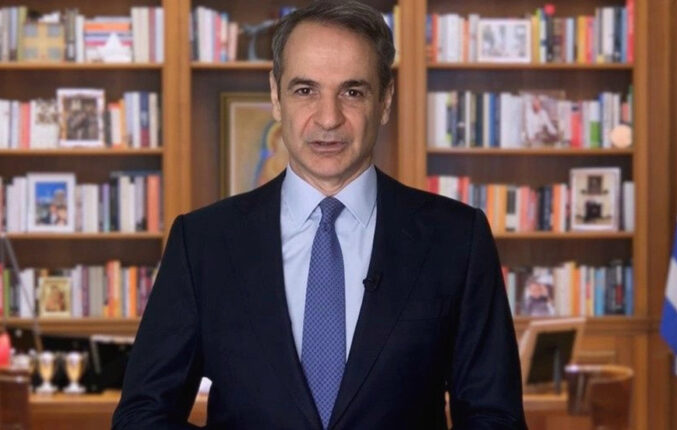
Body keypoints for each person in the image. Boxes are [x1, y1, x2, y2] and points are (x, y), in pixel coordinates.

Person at [112, 1, 525, 429]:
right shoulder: (202, 243)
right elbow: (142, 416)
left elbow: (496, 417)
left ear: (385, 101)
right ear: (276, 97)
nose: (329, 119)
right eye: (305, 90)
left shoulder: (457, 239)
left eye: (352, 92)